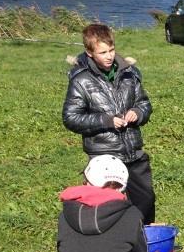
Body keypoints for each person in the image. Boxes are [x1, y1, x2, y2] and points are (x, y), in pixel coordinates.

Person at [62, 24, 155, 224]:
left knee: (145, 200)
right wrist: (106, 121)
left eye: (111, 50)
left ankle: (148, 241)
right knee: (110, 206)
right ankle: (113, 244)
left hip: (134, 152)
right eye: (102, 52)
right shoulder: (81, 81)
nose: (109, 56)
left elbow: (144, 103)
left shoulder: (130, 73)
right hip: (104, 154)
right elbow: (71, 117)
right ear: (90, 53)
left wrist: (137, 112)